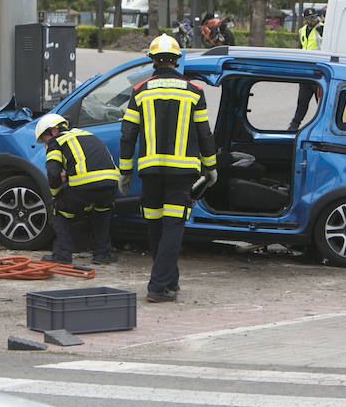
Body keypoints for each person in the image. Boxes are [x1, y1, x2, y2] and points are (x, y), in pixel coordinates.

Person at [118, 33, 217, 302]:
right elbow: (204, 134)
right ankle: (158, 286)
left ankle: (169, 280)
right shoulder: (194, 92)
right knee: (173, 226)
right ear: (176, 60)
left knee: (155, 226)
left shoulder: (139, 91)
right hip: (182, 173)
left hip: (150, 172)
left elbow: (128, 135)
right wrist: (210, 167)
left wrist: (125, 171)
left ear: (152, 61)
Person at [36, 113, 120, 265]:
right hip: (110, 183)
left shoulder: (56, 142)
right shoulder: (86, 134)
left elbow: (53, 174)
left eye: (44, 139)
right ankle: (103, 253)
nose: (45, 144)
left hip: (84, 185)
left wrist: (55, 194)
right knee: (102, 211)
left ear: (54, 131)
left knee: (59, 210)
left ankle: (62, 254)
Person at [288, 6, 324, 131]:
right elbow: (300, 48)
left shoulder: (322, 29)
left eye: (314, 17)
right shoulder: (302, 31)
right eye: (309, 18)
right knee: (302, 101)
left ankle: (322, 126)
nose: (312, 19)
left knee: (320, 101)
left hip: (319, 71)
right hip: (305, 72)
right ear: (305, 19)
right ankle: (294, 126)